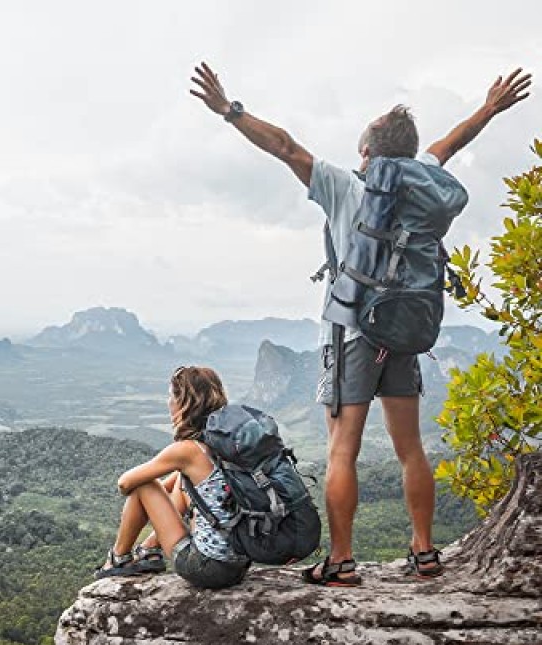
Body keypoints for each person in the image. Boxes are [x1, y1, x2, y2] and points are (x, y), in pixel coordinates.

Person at [190, 62, 532, 586]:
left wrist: (230, 111)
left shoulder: (348, 188)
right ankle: (424, 552)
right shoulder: (423, 182)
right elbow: (450, 142)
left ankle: (342, 560)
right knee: (410, 447)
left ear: (368, 153)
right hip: (406, 332)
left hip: (354, 335)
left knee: (342, 448)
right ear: (410, 153)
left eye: (361, 148)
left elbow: (285, 146)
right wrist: (489, 108)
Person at [95, 365, 250, 590]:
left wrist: (146, 495)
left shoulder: (187, 450)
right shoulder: (227, 441)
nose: (169, 402)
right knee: (180, 479)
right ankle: (149, 550)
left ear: (184, 402)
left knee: (144, 484)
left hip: (207, 568)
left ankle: (118, 557)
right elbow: (176, 485)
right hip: (239, 565)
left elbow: (125, 483)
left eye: (171, 396)